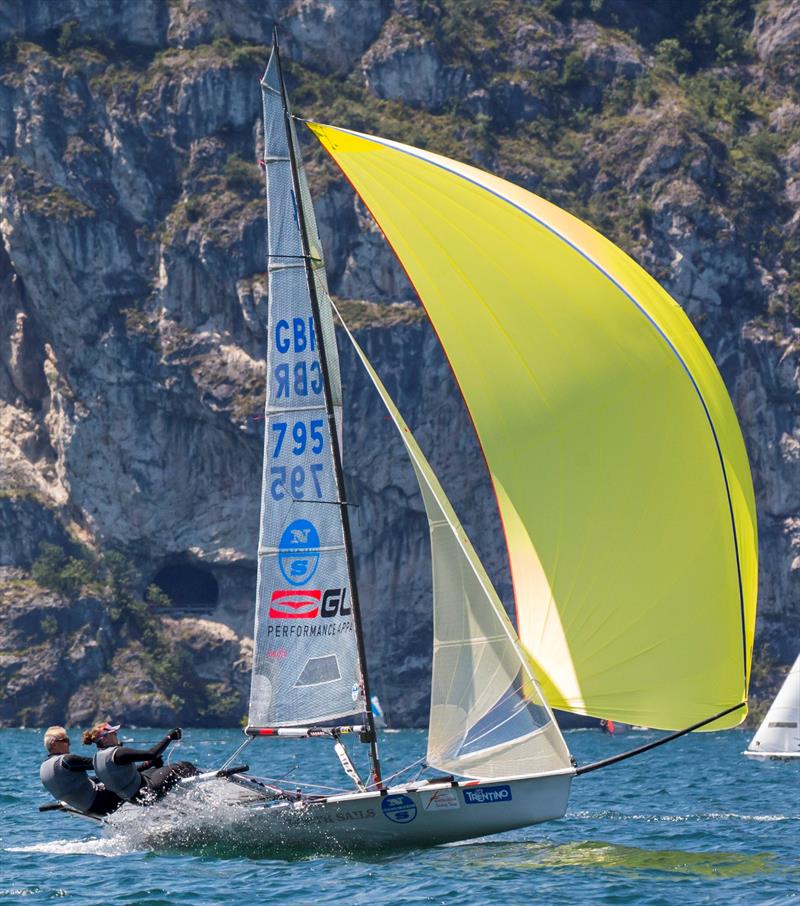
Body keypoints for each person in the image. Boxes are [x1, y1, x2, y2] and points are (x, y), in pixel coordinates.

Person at [84, 722, 199, 804]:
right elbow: (152, 753)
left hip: (134, 799)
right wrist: (170, 736)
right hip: (148, 792)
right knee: (184, 766)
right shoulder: (118, 753)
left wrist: (149, 764)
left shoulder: (96, 759)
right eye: (114, 733)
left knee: (155, 769)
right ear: (104, 739)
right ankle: (209, 789)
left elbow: (123, 775)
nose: (116, 735)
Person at [40, 725, 122, 816]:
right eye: (66, 741)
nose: (69, 744)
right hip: (104, 802)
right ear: (54, 744)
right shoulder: (67, 760)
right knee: (134, 773)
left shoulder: (44, 766)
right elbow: (105, 763)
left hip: (88, 809)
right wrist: (117, 750)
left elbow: (78, 783)